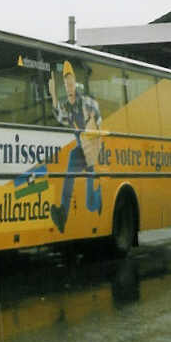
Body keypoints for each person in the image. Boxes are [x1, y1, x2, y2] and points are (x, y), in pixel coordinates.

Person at [47, 60, 103, 232]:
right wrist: (53, 95)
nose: (69, 87)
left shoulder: (86, 102)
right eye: (66, 84)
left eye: (71, 83)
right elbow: (59, 117)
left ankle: (97, 201)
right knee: (69, 172)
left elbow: (98, 119)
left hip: (92, 147)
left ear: (75, 84)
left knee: (90, 201)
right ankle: (62, 216)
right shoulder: (66, 107)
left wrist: (91, 125)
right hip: (81, 148)